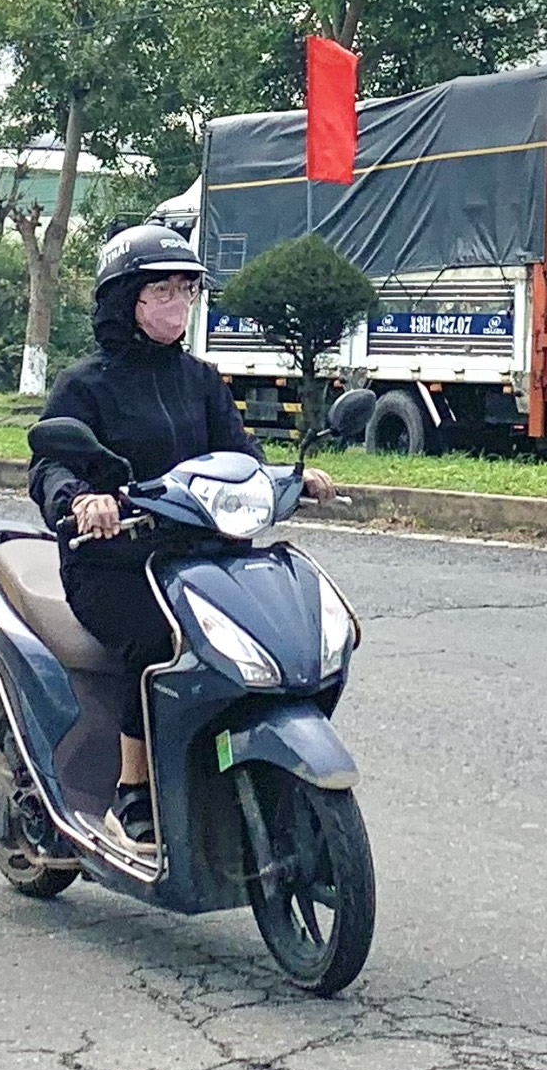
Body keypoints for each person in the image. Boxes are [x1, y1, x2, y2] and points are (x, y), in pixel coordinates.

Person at [27, 224, 329, 856]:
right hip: (114, 565)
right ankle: (131, 793)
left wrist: (290, 481)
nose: (176, 306)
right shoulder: (87, 385)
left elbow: (241, 456)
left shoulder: (201, 380)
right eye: (161, 291)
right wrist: (82, 500)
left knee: (280, 626)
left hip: (200, 557)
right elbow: (50, 463)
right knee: (160, 641)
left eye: (186, 292)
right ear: (125, 302)